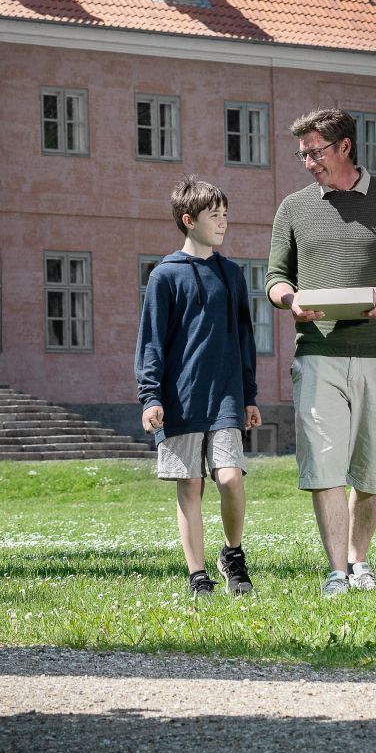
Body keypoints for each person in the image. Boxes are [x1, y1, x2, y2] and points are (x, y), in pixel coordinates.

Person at [266, 106, 376, 596]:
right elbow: (275, 278)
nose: (309, 162)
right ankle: (337, 571)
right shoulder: (293, 207)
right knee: (323, 462)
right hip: (317, 351)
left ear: (344, 148)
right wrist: (292, 301)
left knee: (374, 469)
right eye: (303, 156)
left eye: (315, 152)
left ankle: (360, 562)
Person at [135, 175, 263, 599]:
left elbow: (244, 338)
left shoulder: (232, 275)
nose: (223, 222)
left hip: (225, 397)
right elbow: (151, 340)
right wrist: (150, 395)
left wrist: (248, 395)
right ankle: (197, 575)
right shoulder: (165, 276)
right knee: (190, 485)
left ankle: (233, 554)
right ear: (189, 220)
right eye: (214, 215)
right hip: (180, 399)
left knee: (230, 479)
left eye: (226, 214)